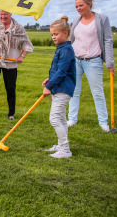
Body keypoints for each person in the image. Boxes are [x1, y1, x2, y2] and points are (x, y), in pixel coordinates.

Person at [67, 0, 115, 132]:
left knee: (97, 92)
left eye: (81, 5)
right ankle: (72, 119)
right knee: (74, 90)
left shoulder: (102, 19)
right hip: (76, 60)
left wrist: (110, 63)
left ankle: (103, 122)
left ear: (89, 4)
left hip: (93, 61)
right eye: (76, 6)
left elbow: (108, 40)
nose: (78, 8)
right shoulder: (76, 20)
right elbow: (71, 41)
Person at [0, 9, 33, 120]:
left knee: (10, 88)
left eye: (5, 14)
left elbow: (27, 44)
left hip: (10, 63)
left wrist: (22, 56)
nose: (3, 16)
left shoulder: (18, 28)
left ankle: (11, 114)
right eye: (1, 14)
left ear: (10, 14)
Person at [42, 17, 76, 158]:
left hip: (63, 89)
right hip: (59, 87)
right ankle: (61, 145)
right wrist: (50, 79)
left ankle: (65, 150)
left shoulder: (66, 49)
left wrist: (49, 86)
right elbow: (61, 70)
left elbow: (62, 71)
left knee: (54, 118)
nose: (53, 37)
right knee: (61, 118)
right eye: (52, 34)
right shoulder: (62, 48)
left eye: (56, 34)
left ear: (66, 33)